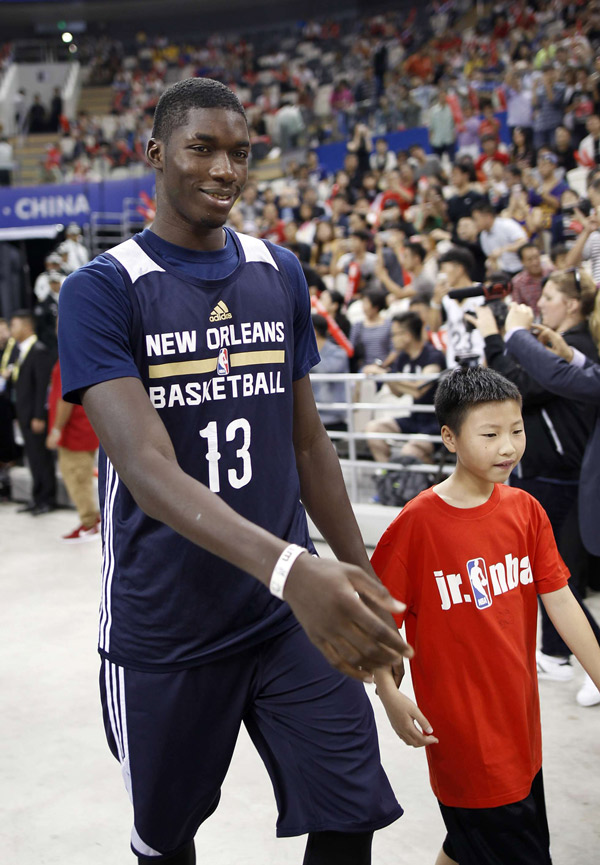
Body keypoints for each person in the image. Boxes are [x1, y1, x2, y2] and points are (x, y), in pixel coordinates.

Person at [57, 77, 408, 865]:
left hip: (288, 615)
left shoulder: (278, 271)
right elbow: (146, 469)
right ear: (153, 153)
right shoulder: (102, 290)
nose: (225, 169)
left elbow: (308, 441)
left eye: (240, 153)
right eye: (203, 148)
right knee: (168, 839)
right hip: (167, 626)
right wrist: (295, 568)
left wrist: (352, 568)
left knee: (351, 807)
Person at [371, 365, 600, 865]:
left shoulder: (526, 510)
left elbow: (560, 599)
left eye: (516, 430)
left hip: (520, 726)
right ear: (449, 438)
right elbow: (375, 629)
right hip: (465, 739)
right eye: (490, 434)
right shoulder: (418, 525)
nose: (508, 447)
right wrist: (390, 694)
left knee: (470, 845)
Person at [466, 271, 600, 708]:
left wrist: (499, 337)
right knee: (555, 580)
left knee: (562, 582)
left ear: (574, 304)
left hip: (563, 480)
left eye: (550, 297)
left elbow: (514, 389)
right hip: (555, 479)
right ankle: (561, 654)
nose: (541, 303)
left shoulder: (574, 343)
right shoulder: (570, 347)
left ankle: (586, 660)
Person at [363, 311, 445, 464]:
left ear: (407, 335)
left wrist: (384, 374)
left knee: (410, 451)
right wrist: (384, 375)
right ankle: (388, 476)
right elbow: (398, 393)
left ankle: (433, 483)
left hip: (437, 422)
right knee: (373, 429)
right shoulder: (403, 357)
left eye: (394, 334)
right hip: (415, 418)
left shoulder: (433, 355)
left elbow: (419, 390)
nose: (392, 339)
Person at [46, 357, 100, 542]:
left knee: (77, 478)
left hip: (74, 433)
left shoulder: (67, 362)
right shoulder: (81, 358)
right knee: (81, 477)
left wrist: (56, 430)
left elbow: (65, 399)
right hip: (84, 428)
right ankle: (91, 519)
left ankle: (89, 523)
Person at [9, 310, 56, 515]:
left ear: (27, 327)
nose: (12, 330)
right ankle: (37, 497)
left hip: (36, 416)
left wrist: (39, 415)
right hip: (25, 414)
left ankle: (47, 498)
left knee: (42, 458)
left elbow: (42, 387)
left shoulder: (39, 351)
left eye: (15, 325)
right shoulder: (21, 351)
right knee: (33, 459)